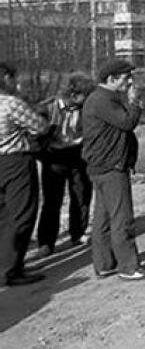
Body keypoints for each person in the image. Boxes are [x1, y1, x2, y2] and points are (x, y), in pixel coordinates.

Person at [81, 58, 145, 280]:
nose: (130, 82)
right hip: (111, 166)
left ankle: (105, 264)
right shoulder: (103, 100)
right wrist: (134, 102)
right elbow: (126, 122)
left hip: (101, 166)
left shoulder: (101, 98)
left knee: (103, 218)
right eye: (126, 78)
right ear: (112, 79)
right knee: (122, 218)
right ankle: (128, 267)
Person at [0, 62, 50, 286]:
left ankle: (5, 264)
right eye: (13, 78)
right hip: (15, 162)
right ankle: (12, 269)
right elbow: (40, 127)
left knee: (2, 217)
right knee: (21, 214)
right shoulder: (10, 103)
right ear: (6, 79)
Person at [35, 74, 95, 257]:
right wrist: (44, 154)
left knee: (82, 194)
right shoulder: (47, 108)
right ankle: (46, 242)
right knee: (52, 200)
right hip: (54, 157)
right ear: (74, 94)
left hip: (77, 153)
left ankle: (77, 233)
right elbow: (35, 137)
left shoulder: (86, 108)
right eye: (85, 95)